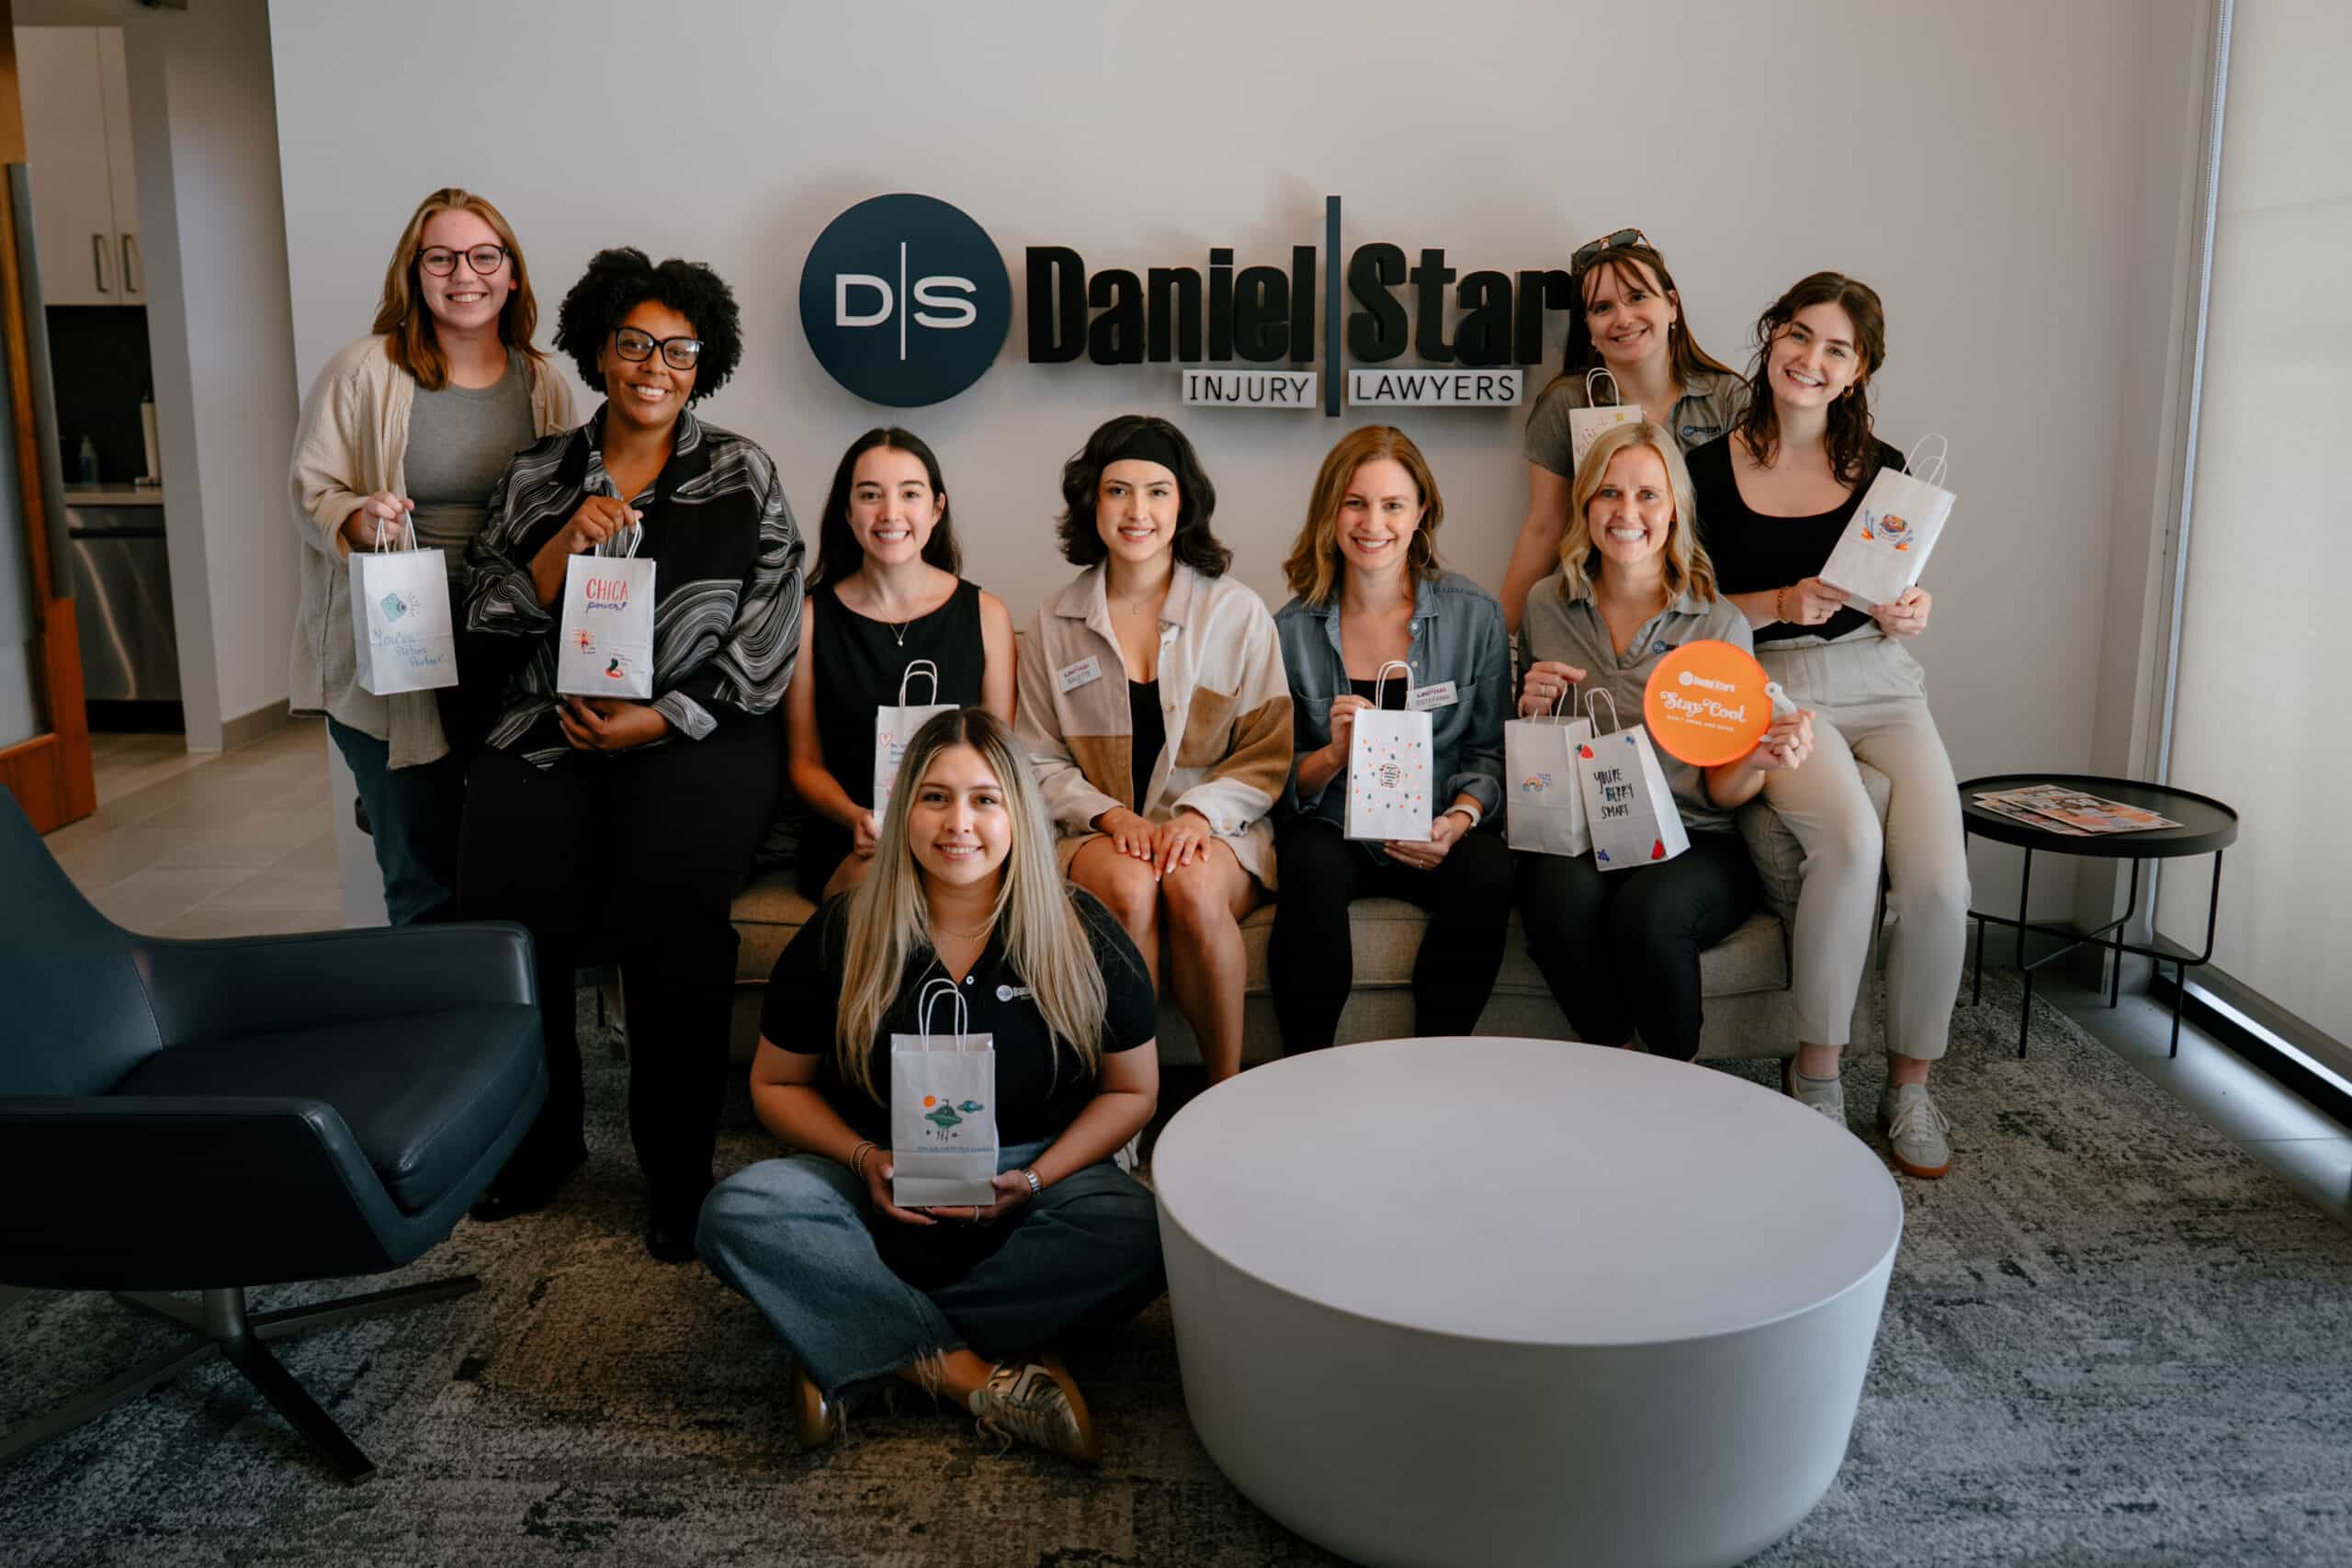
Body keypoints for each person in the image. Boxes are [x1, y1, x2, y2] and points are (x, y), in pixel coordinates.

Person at [699, 708, 1163, 1465]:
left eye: (985, 798)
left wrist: (1034, 1176)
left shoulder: (1086, 932)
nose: (960, 823)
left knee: (1140, 1231)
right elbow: (776, 1082)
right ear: (904, 807)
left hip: (1028, 1194)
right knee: (739, 1210)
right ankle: (970, 1374)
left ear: (1019, 810)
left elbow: (1133, 1091)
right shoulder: (843, 930)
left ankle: (855, 1333)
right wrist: (861, 1160)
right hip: (876, 1186)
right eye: (935, 796)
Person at [458, 248, 805, 1256]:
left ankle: (675, 1173)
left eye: (680, 351)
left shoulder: (742, 472)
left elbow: (769, 633)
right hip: (544, 728)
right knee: (511, 921)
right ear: (600, 351)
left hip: (695, 733)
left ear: (704, 365)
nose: (656, 366)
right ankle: (542, 1145)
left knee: (677, 925)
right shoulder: (537, 472)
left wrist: (663, 718)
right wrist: (564, 543)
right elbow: (483, 614)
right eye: (634, 344)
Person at [1684, 271, 1968, 1179]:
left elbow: (1895, 589)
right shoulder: (1701, 468)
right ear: (1771, 340)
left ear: (1858, 371)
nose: (1810, 359)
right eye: (1797, 335)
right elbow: (1681, 607)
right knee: (1848, 844)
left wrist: (1910, 609)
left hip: (1884, 682)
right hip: (1773, 685)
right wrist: (1774, 601)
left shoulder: (1888, 469)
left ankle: (1912, 1086)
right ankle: (1817, 1077)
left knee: (1938, 881)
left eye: (1835, 349)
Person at [288, 187, 574, 923]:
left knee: (507, 864)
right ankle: (444, 1029)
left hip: (508, 650)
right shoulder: (365, 369)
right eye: (440, 257)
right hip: (393, 652)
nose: (464, 274)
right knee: (421, 875)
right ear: (413, 274)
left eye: (484, 256)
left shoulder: (542, 383)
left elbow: (566, 505)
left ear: (511, 274)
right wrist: (358, 518)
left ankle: (512, 1024)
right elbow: (311, 489)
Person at [1516, 422, 1813, 1059]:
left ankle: (1678, 1082)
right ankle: (1619, 1056)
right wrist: (1531, 709)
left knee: (1647, 915)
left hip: (1696, 839)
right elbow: (1533, 765)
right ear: (1586, 506)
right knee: (1552, 895)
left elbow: (1724, 792)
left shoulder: (1719, 623)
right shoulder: (1546, 605)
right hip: (1589, 831)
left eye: (1648, 494)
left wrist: (1756, 758)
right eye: (1609, 493)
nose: (1628, 512)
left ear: (1674, 508)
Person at [1014, 415, 1291, 1084]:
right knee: (1135, 887)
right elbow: (1036, 758)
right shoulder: (1054, 621)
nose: (1138, 511)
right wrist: (1113, 818)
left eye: (1158, 492)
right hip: (1099, 833)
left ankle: (1222, 1093)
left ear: (1184, 503)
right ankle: (1127, 1100)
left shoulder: (1238, 613)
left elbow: (1266, 751)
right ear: (1092, 502)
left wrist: (1195, 817)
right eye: (1118, 491)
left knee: (1193, 889)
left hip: (1217, 829)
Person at [1268, 425, 1513, 1053]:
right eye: (1355, 502)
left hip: (1432, 825)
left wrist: (1458, 820)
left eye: (1392, 505)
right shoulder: (1289, 630)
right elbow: (1273, 777)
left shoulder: (1474, 615)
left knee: (1487, 868)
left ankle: (1435, 1061)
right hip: (1333, 828)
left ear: (1420, 513)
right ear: (1330, 511)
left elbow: (1489, 751)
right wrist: (1330, 754)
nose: (1372, 523)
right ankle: (1307, 1070)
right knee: (1307, 865)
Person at [786, 429, 1015, 901]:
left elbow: (1000, 760)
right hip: (856, 836)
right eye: (870, 495)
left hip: (960, 829)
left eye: (910, 494)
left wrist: (957, 823)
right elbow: (805, 764)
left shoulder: (987, 615)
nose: (890, 513)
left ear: (936, 508)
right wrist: (854, 817)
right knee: (885, 888)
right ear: (848, 512)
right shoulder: (810, 619)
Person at [1500, 230, 1745, 633]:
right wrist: (1501, 644)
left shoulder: (1728, 398)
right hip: (1596, 617)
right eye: (1602, 307)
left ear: (1672, 305)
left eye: (1636, 297)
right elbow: (1544, 527)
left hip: (1702, 614)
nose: (1623, 319)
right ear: (1589, 328)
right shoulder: (1567, 403)